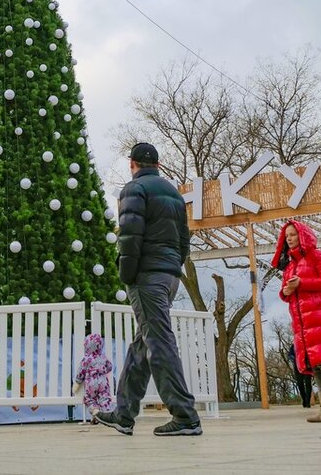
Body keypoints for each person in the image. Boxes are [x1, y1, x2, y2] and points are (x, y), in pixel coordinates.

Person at [95, 143, 202, 437]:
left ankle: (185, 415)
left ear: (133, 164)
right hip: (169, 276)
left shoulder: (134, 190)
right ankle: (124, 414)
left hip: (147, 276)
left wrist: (127, 275)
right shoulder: (174, 194)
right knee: (143, 344)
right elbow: (184, 240)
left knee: (159, 343)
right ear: (158, 163)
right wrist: (173, 266)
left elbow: (129, 237)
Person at [273, 220, 321, 423]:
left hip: (319, 315)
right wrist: (285, 291)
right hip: (301, 321)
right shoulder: (289, 264)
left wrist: (302, 283)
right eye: (286, 235)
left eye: (293, 234)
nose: (289, 238)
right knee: (314, 364)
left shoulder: (316, 256)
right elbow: (286, 292)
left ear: (303, 235)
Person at [74, 333, 115, 421]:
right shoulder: (103, 357)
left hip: (91, 383)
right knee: (105, 398)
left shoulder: (86, 359)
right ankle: (108, 414)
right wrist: (102, 370)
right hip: (103, 381)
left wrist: (77, 382)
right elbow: (110, 367)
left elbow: (81, 371)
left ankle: (96, 412)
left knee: (89, 398)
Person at [287, 343, 314, 409]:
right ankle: (304, 399)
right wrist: (294, 359)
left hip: (307, 366)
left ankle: (308, 402)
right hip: (298, 366)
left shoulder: (308, 343)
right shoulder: (294, 345)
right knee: (300, 384)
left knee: (308, 384)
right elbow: (290, 354)